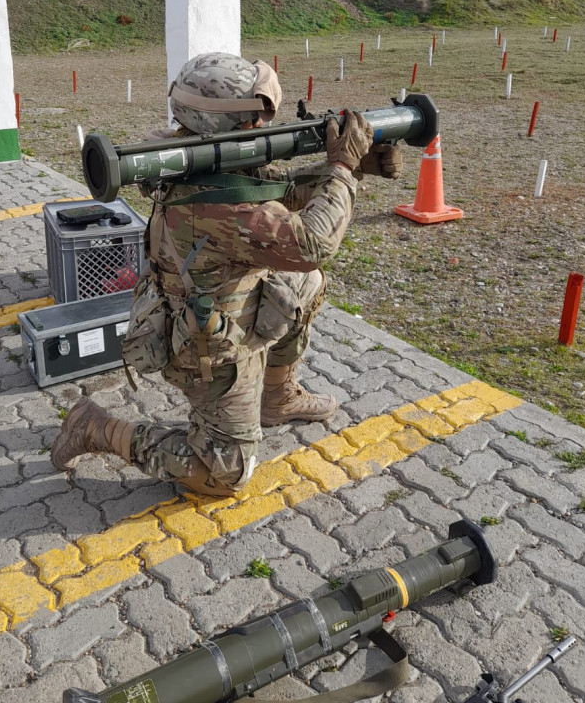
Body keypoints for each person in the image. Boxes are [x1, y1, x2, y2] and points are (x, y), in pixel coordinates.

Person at [52, 52, 402, 496]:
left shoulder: (190, 154)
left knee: (308, 284)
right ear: (219, 124)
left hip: (229, 303)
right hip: (206, 346)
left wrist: (353, 168)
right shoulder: (215, 206)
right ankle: (98, 427)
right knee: (226, 473)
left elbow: (277, 187)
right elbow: (314, 243)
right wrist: (342, 170)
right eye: (250, 119)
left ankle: (278, 397)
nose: (259, 128)